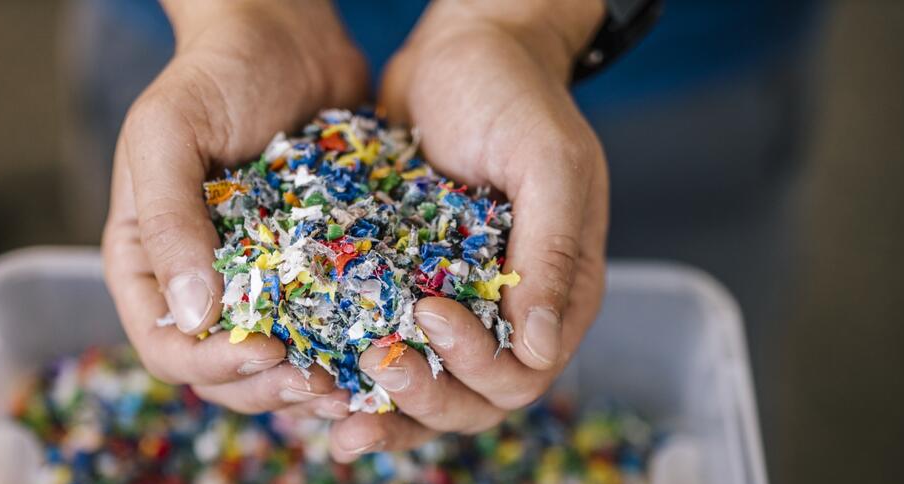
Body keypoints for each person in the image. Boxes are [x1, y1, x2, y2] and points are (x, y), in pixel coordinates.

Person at [75, 0, 823, 460]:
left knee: (680, 404)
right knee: (190, 361)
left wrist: (524, 19)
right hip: (198, 33)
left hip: (659, 75)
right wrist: (234, 12)